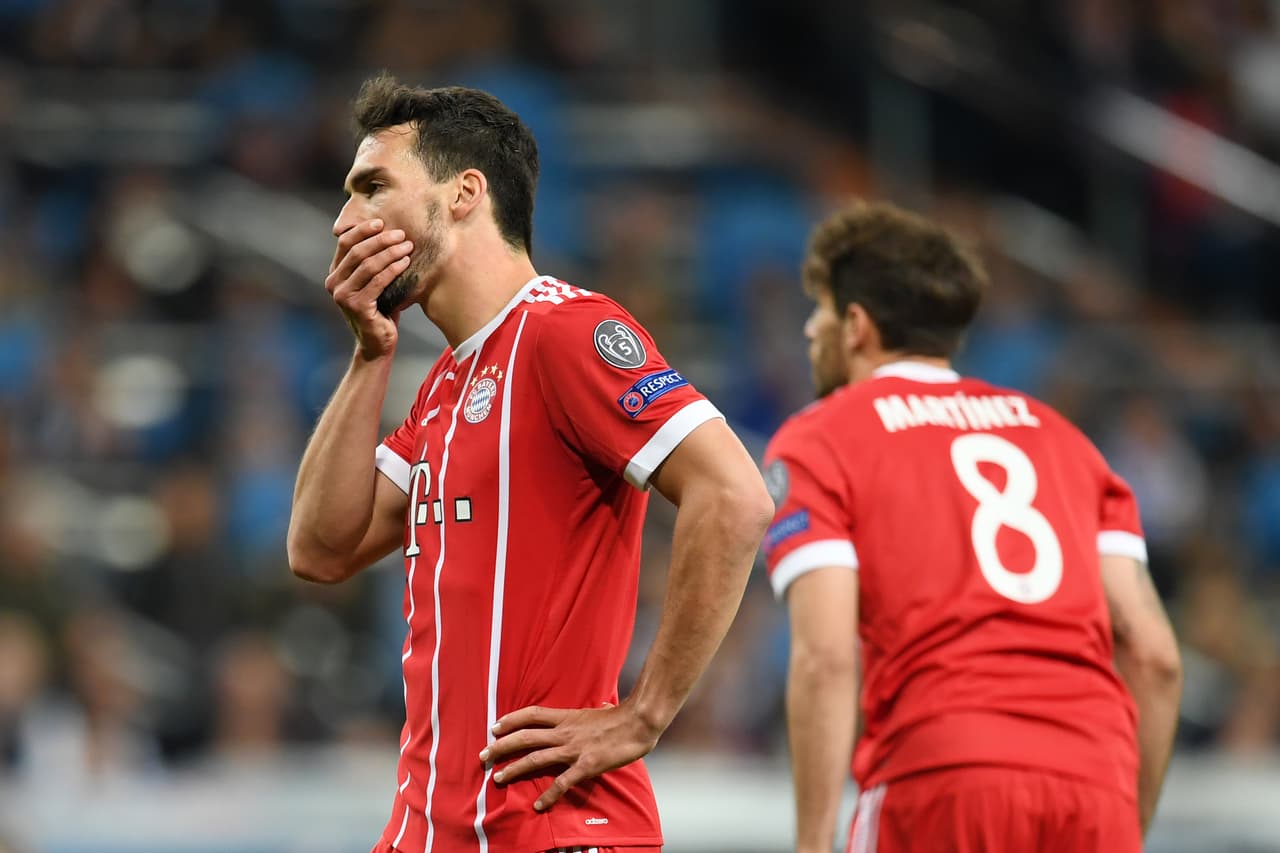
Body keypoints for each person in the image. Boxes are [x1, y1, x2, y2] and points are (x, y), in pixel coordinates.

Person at [286, 74, 773, 853]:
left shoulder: (565, 333)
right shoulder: (445, 383)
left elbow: (735, 494)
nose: (346, 220)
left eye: (372, 186)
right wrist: (368, 353)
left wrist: (645, 712)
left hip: (551, 826)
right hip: (429, 829)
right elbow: (321, 548)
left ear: (464, 192)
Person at [762, 201, 1183, 853]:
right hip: (1093, 780)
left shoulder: (820, 439)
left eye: (816, 310)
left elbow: (825, 656)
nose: (809, 331)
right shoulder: (1067, 442)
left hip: (941, 771)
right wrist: (1125, 815)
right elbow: (1155, 657)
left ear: (855, 325)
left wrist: (812, 842)